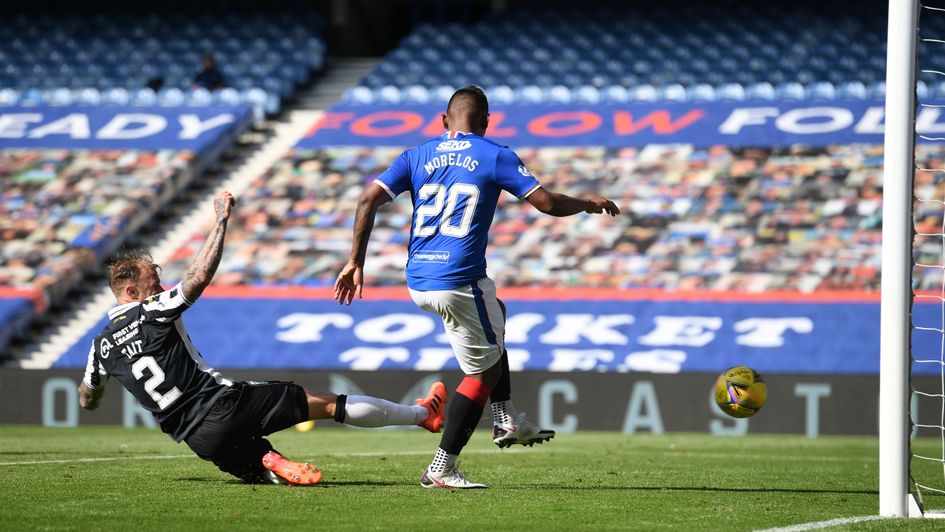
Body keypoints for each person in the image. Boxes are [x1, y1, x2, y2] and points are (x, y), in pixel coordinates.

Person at [334, 86, 620, 489]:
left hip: (419, 279)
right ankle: (441, 468)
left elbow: (366, 200)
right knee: (480, 375)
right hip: (459, 281)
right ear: (486, 122)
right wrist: (588, 203)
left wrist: (355, 261)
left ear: (443, 120)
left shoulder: (415, 155)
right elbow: (548, 204)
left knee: (496, 310)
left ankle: (505, 418)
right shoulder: (494, 154)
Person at [79, 192, 447, 486]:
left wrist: (93, 397)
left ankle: (269, 462)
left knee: (248, 463)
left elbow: (87, 398)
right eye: (152, 284)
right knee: (329, 404)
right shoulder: (152, 310)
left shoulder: (101, 347)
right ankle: (422, 415)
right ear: (131, 291)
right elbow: (197, 277)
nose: (159, 289)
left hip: (197, 440)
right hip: (223, 404)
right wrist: (221, 221)